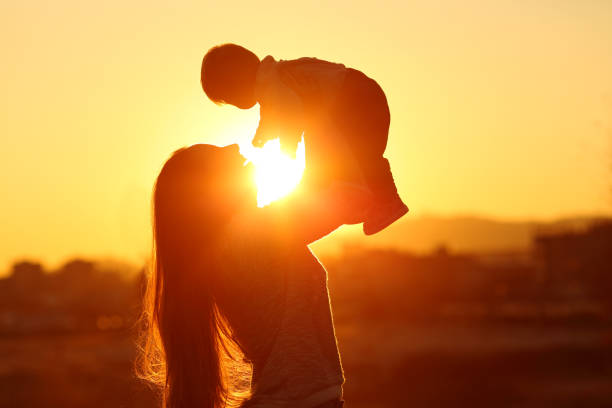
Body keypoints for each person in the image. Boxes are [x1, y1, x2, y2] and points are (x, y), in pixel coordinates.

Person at [137, 143, 373, 408]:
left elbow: (346, 201)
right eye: (217, 155)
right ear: (207, 193)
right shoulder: (247, 237)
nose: (235, 146)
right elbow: (349, 198)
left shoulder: (241, 239)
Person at [200, 43, 408, 235]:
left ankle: (349, 192)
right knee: (360, 156)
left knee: (327, 145)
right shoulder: (274, 79)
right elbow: (274, 113)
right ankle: (376, 199)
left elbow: (291, 113)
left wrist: (287, 147)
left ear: (238, 82)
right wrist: (262, 134)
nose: (235, 104)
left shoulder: (273, 86)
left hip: (353, 100)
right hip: (363, 94)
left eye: (230, 97)